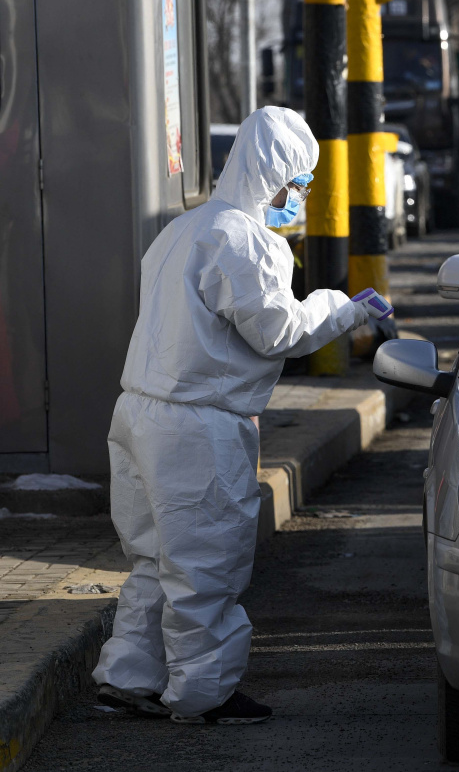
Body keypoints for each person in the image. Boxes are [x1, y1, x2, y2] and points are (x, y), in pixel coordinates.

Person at [92, 107, 375, 724]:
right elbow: (278, 331)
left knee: (153, 559)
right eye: (297, 183)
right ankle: (204, 693)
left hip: (138, 411)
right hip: (198, 424)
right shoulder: (244, 241)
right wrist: (344, 309)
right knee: (205, 566)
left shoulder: (183, 229)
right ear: (272, 175)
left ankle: (129, 675)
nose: (298, 197)